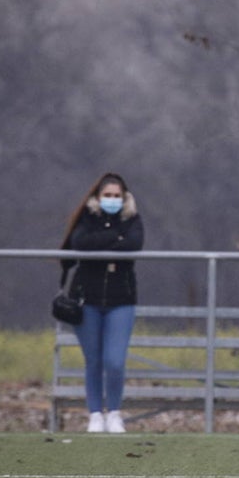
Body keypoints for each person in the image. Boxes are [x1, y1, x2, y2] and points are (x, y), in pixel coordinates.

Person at [59, 172, 144, 433]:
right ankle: (95, 414)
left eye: (117, 196)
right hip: (88, 300)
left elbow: (133, 243)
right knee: (93, 360)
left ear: (124, 197)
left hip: (122, 300)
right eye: (107, 195)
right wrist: (113, 240)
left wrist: (105, 244)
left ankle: (115, 412)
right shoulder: (86, 218)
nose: (112, 200)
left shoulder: (132, 219)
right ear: (98, 197)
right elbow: (81, 243)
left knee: (115, 361)